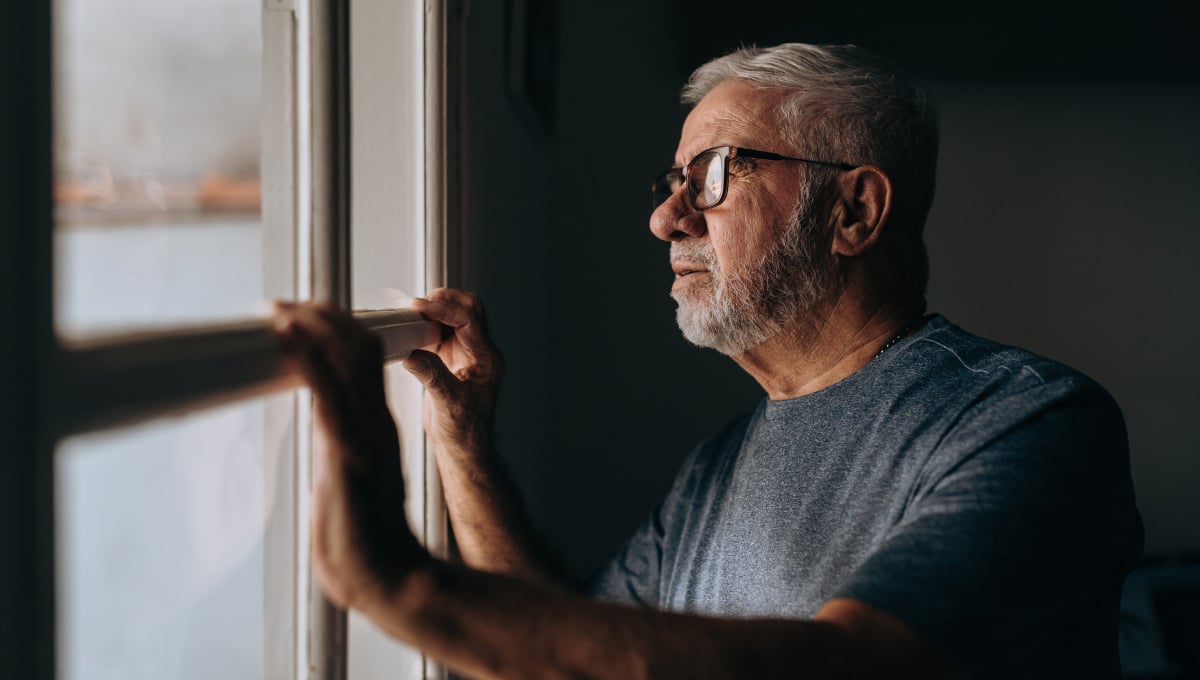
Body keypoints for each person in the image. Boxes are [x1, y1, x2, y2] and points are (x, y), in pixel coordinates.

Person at [273, 43, 1143, 679]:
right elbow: (571, 651)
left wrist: (404, 589)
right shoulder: (715, 470)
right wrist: (462, 440)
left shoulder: (1031, 423)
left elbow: (855, 667)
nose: (668, 220)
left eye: (718, 173)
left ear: (855, 212)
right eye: (673, 181)